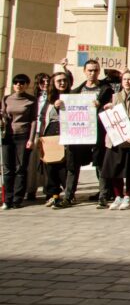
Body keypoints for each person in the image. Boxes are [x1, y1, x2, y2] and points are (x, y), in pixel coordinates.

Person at [100, 71, 130, 210]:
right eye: (125, 79)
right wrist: (108, 108)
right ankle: (118, 196)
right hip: (115, 139)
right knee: (115, 170)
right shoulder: (115, 96)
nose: (127, 82)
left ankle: (128, 196)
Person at [72, 59, 113, 206]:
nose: (92, 73)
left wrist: (101, 104)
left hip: (99, 131)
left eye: (95, 70)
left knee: (100, 162)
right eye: (89, 70)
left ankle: (103, 193)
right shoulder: (77, 91)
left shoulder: (106, 89)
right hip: (81, 131)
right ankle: (69, 194)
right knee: (76, 162)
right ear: (84, 71)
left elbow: (112, 105)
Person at [2, 74, 37, 210]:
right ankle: (7, 199)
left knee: (20, 168)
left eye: (22, 83)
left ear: (27, 85)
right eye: (16, 82)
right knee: (7, 168)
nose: (18, 85)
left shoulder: (31, 100)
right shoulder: (6, 99)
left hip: (23, 136)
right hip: (8, 136)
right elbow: (4, 115)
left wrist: (31, 139)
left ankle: (17, 199)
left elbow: (34, 120)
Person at [40, 70, 73, 208]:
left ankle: (68, 195)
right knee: (50, 166)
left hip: (66, 131)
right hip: (51, 133)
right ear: (53, 83)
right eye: (59, 81)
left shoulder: (72, 96)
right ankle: (54, 195)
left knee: (64, 166)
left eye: (64, 80)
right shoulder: (47, 98)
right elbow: (42, 117)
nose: (62, 83)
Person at [23, 73, 51, 201]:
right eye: (42, 82)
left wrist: (65, 68)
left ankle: (48, 189)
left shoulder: (53, 97)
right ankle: (31, 190)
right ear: (38, 84)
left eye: (47, 82)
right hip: (35, 132)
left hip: (48, 132)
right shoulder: (33, 98)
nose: (45, 85)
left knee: (48, 162)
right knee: (32, 163)